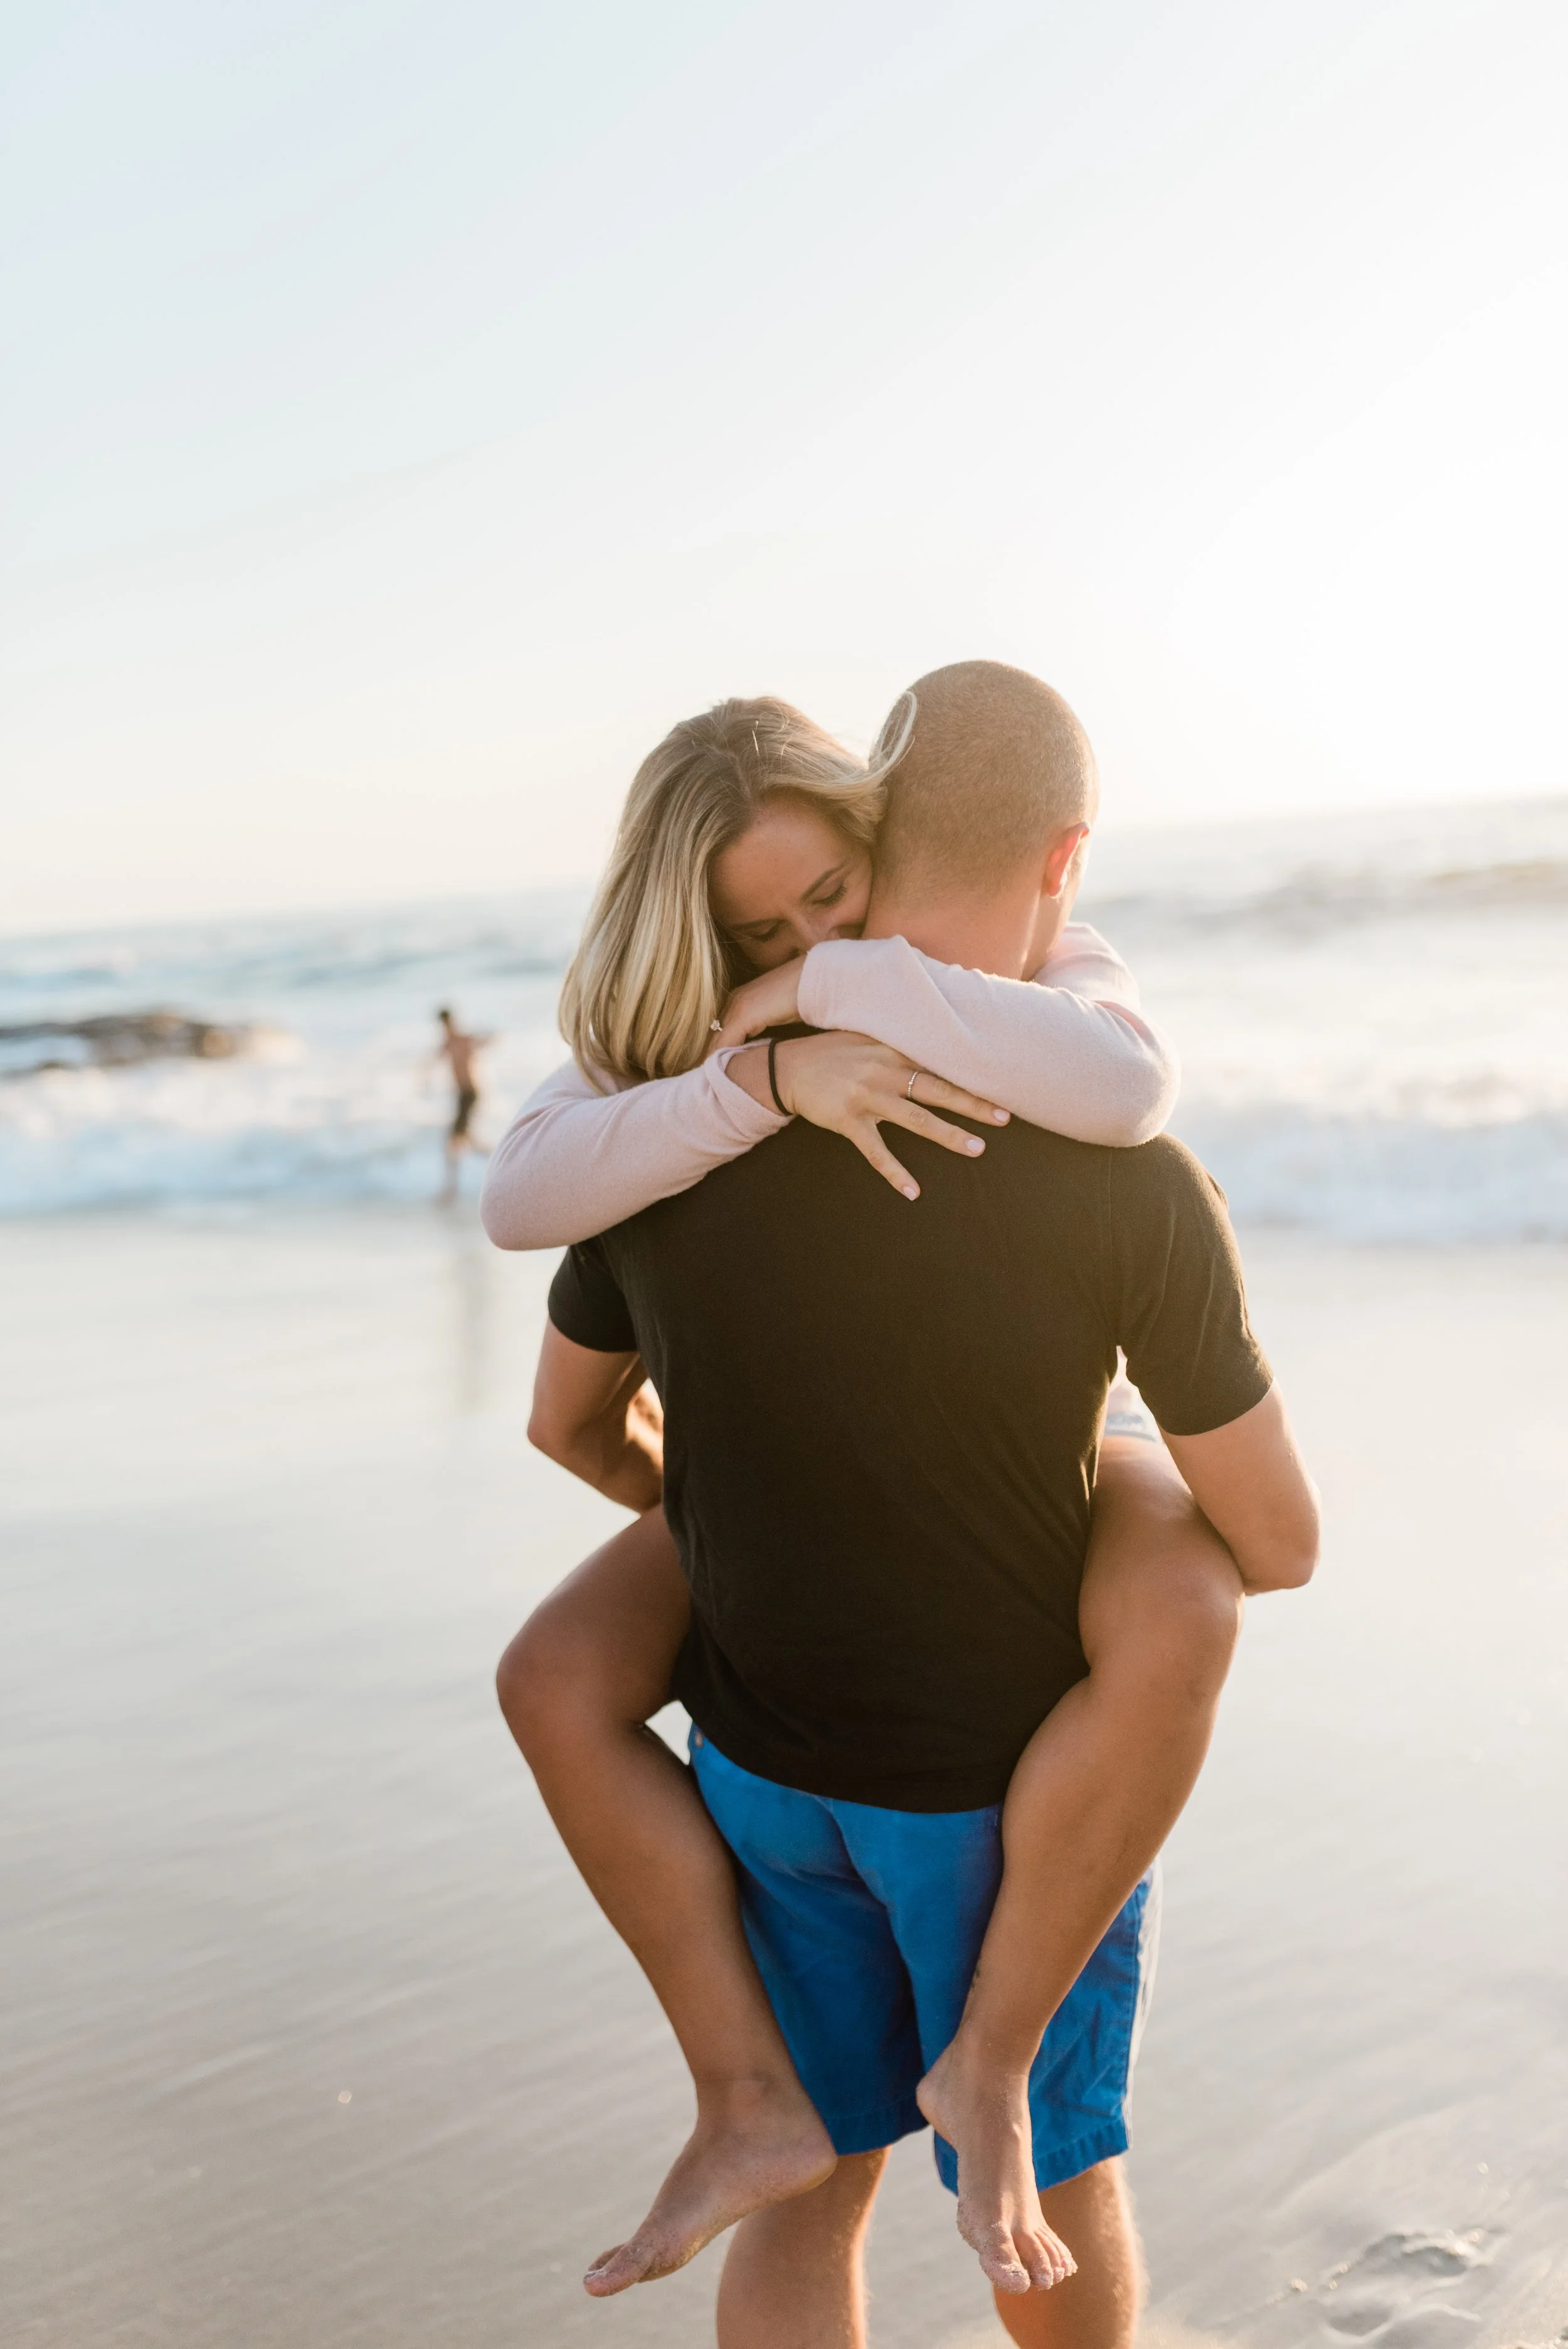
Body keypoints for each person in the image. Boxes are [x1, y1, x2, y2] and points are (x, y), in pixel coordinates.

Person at [484, 672, 1318, 2336]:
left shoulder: (664, 1154)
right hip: (995, 1798)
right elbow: (1278, 1543)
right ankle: (991, 2073)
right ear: (1061, 857)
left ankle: (753, 2104)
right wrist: (1118, 1494)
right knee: (1045, 2203)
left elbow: (567, 1424)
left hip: (762, 1767)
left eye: (823, 904)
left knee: (816, 2187)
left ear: (873, 838)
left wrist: (733, 1520)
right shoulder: (1118, 1170)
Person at [434, 1007, 489, 1202]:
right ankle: (505, 1162)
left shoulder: (463, 1039)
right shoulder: (448, 1043)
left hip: (469, 1094)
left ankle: (450, 1191)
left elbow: (486, 1041)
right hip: (461, 1096)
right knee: (467, 1141)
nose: (445, 1027)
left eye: (446, 1023)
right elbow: (434, 1059)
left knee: (454, 1142)